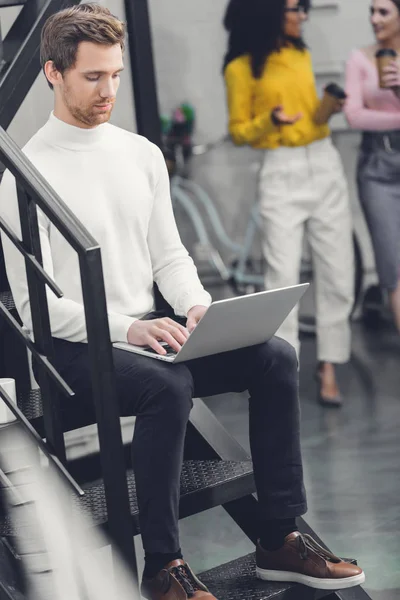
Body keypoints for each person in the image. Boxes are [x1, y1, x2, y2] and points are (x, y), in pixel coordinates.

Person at [0, 4, 364, 598]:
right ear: (52, 73)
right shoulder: (25, 174)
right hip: (73, 350)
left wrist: (195, 307)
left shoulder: (140, 154)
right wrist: (129, 330)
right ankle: (164, 568)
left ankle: (278, 538)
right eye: (93, 77)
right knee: (165, 387)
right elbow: (37, 306)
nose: (108, 90)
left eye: (115, 75)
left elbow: (169, 258)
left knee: (274, 356)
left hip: (143, 332)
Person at [224, 0, 354, 407]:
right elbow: (239, 132)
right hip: (281, 170)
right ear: (271, 13)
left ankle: (329, 365)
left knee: (338, 270)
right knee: (282, 278)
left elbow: (310, 117)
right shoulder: (241, 67)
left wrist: (326, 109)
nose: (303, 16)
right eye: (296, 9)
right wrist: (270, 121)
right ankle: (286, 367)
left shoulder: (301, 54)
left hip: (323, 160)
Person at [345, 0, 400, 333]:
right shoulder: (360, 59)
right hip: (377, 167)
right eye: (371, 11)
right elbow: (354, 115)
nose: (374, 19)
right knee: (393, 267)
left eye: (384, 12)